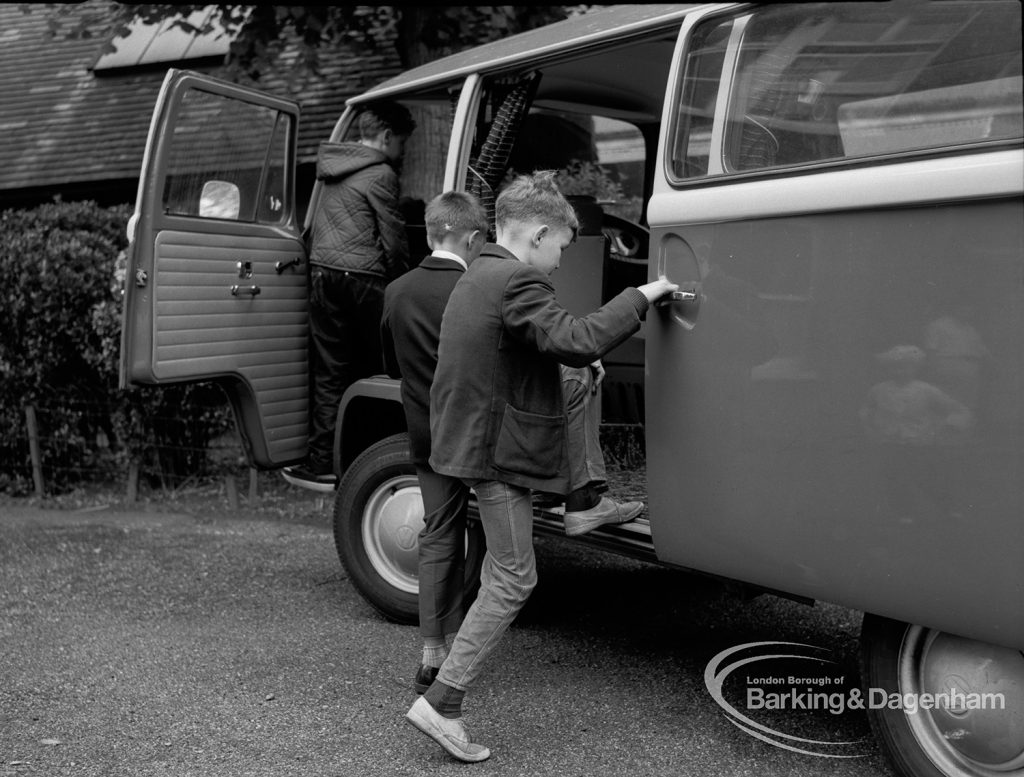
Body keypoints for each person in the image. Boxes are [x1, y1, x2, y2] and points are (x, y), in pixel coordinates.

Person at [404, 172, 678, 763]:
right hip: (492, 453)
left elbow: (509, 357)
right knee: (512, 579)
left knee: (509, 576)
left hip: (469, 443)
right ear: (540, 233)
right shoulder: (515, 277)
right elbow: (577, 338)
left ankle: (443, 693)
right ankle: (443, 701)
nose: (559, 264)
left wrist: (575, 372)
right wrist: (644, 295)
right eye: (560, 249)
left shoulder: (479, 273)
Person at [284, 101, 417, 491]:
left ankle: (323, 461)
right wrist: (404, 286)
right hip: (362, 279)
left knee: (330, 372)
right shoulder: (381, 173)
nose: (402, 152)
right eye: (402, 143)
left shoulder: (329, 170)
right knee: (387, 366)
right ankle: (379, 455)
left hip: (323, 275)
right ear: (388, 137)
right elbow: (393, 239)